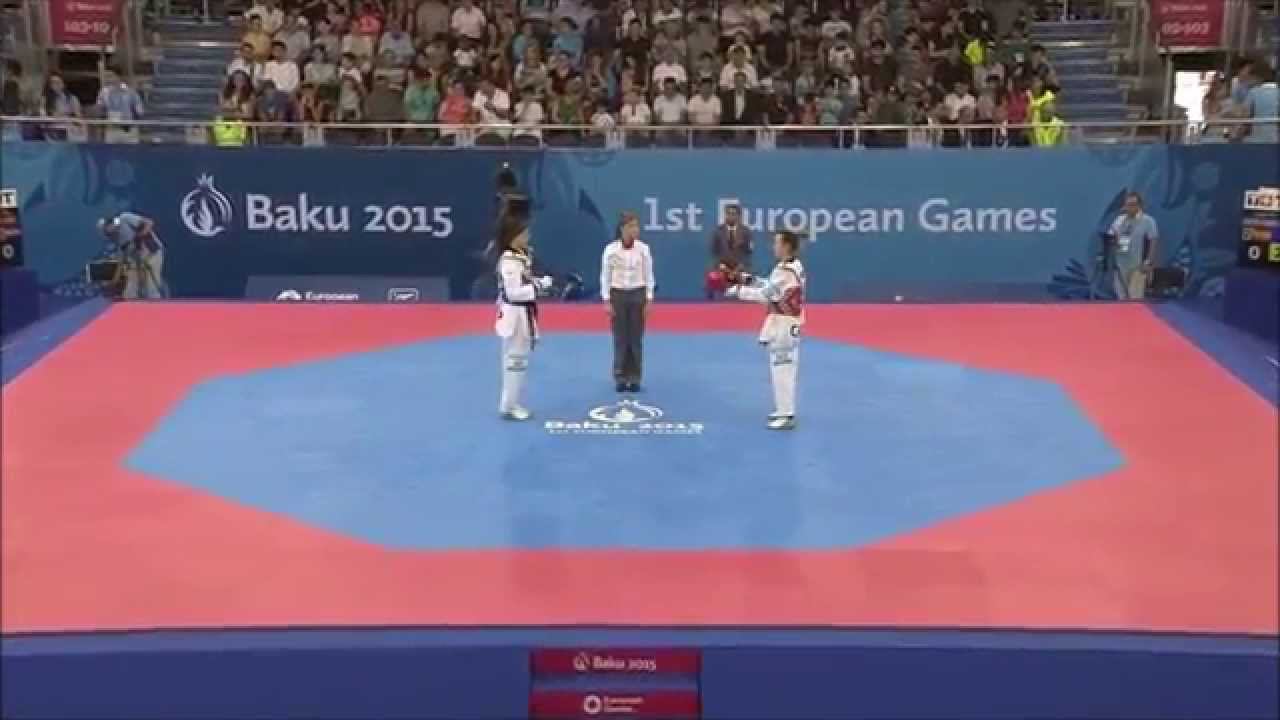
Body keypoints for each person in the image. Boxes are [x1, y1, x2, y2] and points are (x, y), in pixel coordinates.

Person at [725, 230, 805, 430]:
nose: (773, 246)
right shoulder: (792, 267)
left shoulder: (786, 271)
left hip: (784, 324)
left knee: (783, 370)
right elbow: (771, 286)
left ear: (786, 246)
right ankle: (782, 409)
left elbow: (765, 295)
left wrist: (737, 291)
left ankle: (787, 414)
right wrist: (745, 278)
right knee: (780, 368)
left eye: (777, 243)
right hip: (787, 323)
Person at [495, 217, 553, 420]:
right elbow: (513, 293)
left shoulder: (521, 257)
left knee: (517, 361)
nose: (527, 236)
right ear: (513, 237)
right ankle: (509, 405)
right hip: (515, 317)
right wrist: (537, 287)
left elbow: (523, 282)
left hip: (522, 314)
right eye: (523, 233)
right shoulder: (509, 261)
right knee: (515, 361)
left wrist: (538, 282)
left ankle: (510, 402)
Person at [600, 211, 655, 392]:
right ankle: (620, 376)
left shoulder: (644, 249)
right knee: (620, 338)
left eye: (636, 226)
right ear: (622, 229)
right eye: (631, 226)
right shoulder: (610, 250)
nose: (635, 230)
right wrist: (606, 300)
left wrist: (649, 298)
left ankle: (635, 377)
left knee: (635, 338)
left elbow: (648, 275)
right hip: (618, 295)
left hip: (637, 293)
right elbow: (605, 276)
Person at [98, 212, 167, 299]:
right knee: (129, 292)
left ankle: (157, 310)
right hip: (135, 259)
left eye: (106, 228)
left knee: (150, 288)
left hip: (152, 254)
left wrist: (139, 237)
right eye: (104, 231)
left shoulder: (125, 218)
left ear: (111, 223)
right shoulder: (113, 237)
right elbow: (123, 254)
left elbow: (149, 223)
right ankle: (131, 309)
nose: (107, 232)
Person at [1107, 192, 1158, 300]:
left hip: (1138, 265)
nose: (1129, 207)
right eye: (1128, 204)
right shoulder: (1120, 219)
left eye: (1132, 204)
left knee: (1135, 297)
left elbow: (1153, 241)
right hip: (1121, 264)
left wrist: (1148, 262)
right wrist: (1114, 240)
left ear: (1139, 205)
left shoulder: (1148, 221)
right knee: (1121, 296)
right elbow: (1111, 236)